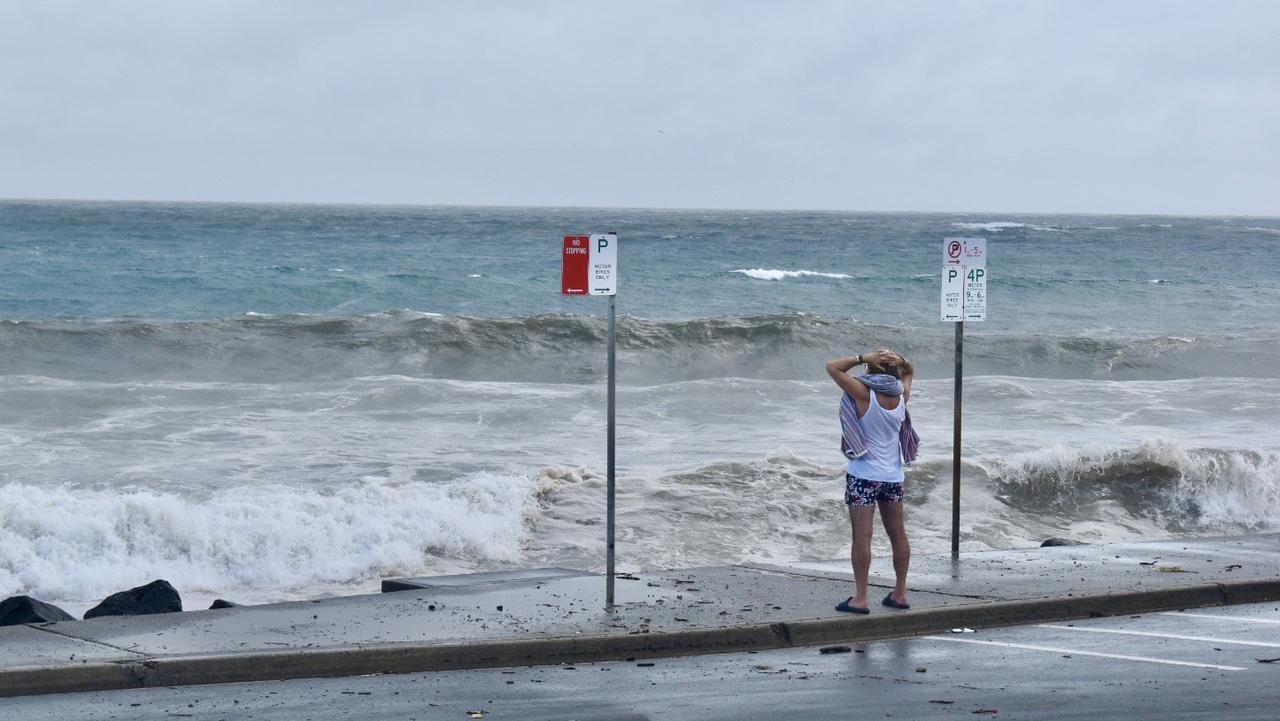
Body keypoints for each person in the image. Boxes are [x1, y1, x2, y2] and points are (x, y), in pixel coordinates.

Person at [825, 348, 916, 614]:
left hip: (863, 475)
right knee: (897, 534)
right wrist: (899, 360)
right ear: (894, 371)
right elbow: (910, 370)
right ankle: (900, 593)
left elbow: (833, 367)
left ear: (871, 370)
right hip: (893, 476)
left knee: (862, 537)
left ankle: (861, 598)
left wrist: (863, 358)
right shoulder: (901, 396)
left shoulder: (864, 394)